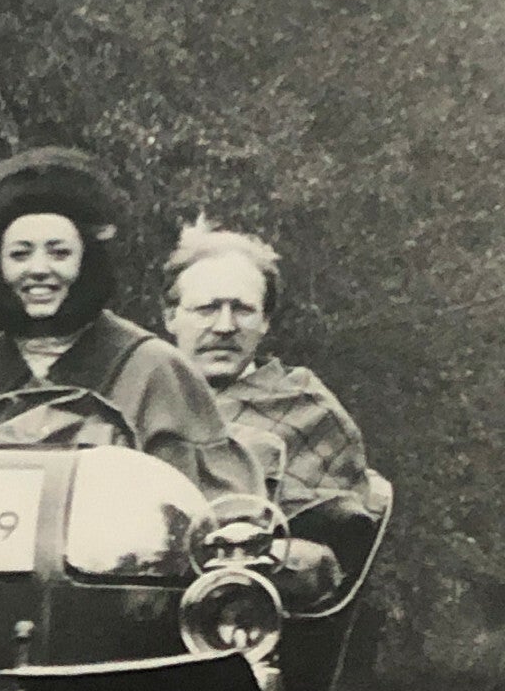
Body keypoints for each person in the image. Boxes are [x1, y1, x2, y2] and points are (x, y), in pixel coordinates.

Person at [0, 148, 263, 504]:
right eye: (20, 254)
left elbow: (220, 511)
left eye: (59, 252)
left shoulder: (156, 372)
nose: (39, 269)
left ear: (87, 260)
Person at [162, 220, 380, 582]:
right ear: (171, 317)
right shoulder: (140, 398)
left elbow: (331, 545)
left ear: (264, 321)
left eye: (243, 310)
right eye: (207, 309)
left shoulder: (307, 409)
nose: (225, 326)